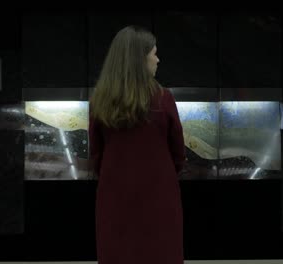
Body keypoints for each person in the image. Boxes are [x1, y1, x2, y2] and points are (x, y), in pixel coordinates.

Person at [88, 25, 186, 264]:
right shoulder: (163, 98)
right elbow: (178, 153)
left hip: (114, 197)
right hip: (159, 198)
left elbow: (96, 155)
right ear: (140, 59)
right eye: (154, 53)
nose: (158, 59)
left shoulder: (99, 100)